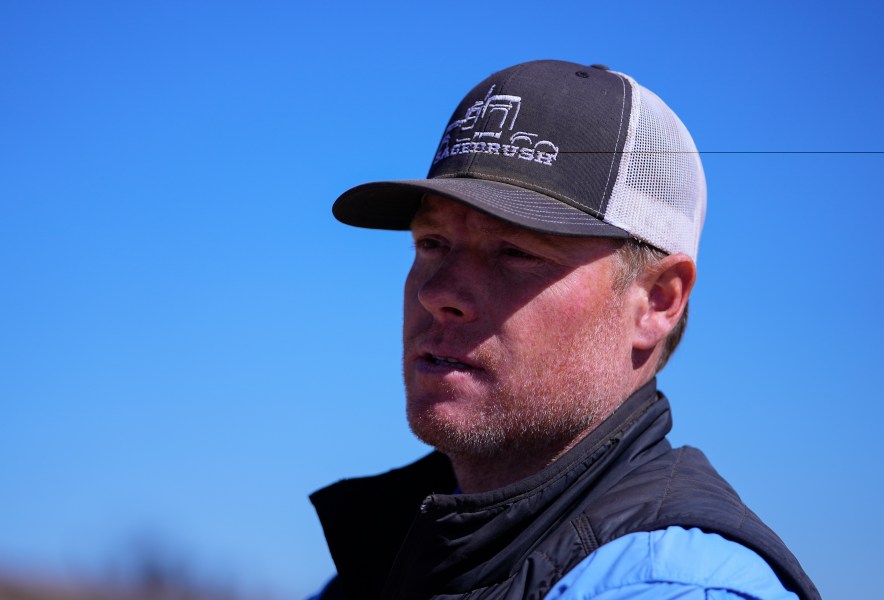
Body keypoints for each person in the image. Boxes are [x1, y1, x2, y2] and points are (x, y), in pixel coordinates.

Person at [309, 60, 819, 600]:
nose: (439, 293)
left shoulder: (673, 587)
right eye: (432, 243)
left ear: (656, 301)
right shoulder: (385, 565)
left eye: (514, 252)